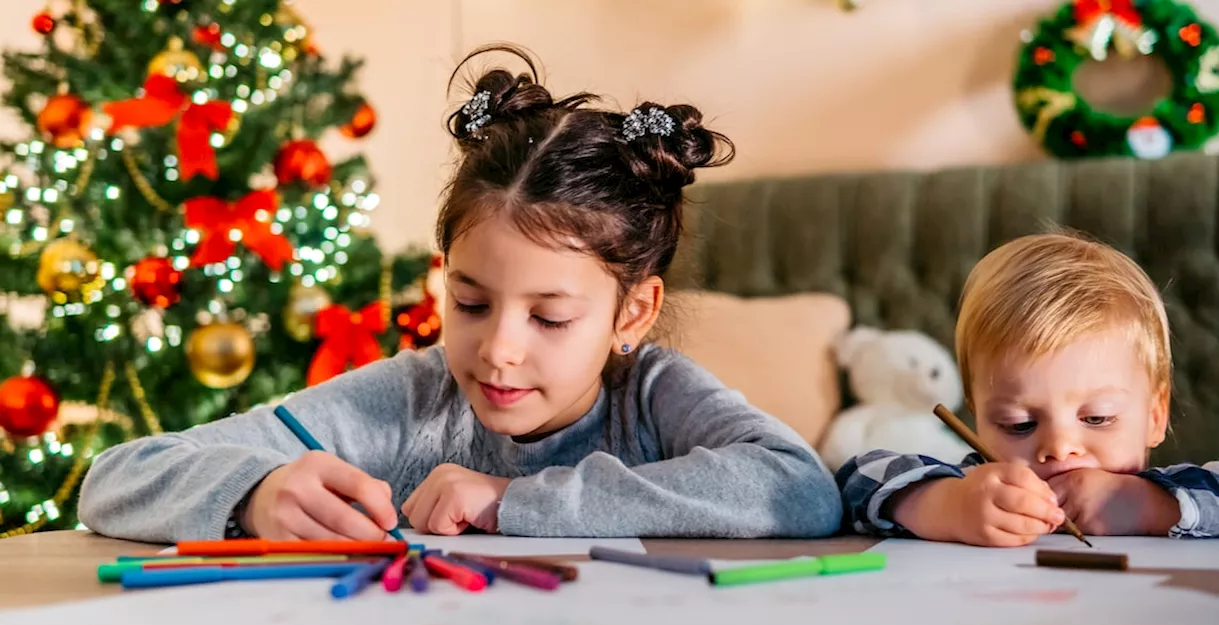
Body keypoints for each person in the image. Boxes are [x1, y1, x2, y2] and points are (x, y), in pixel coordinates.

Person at [77, 45, 842, 543]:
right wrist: (255, 491)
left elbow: (800, 489)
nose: (499, 349)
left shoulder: (653, 397)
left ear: (631, 312)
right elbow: (113, 481)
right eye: (470, 303)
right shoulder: (408, 399)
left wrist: (511, 500)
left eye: (550, 316)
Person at [838, 230, 1219, 546]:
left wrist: (1147, 507)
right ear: (977, 416)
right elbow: (853, 481)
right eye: (1019, 424)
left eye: (1097, 418)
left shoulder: (1170, 492)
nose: (1059, 448)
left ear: (1155, 416)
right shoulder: (973, 485)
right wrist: (943, 506)